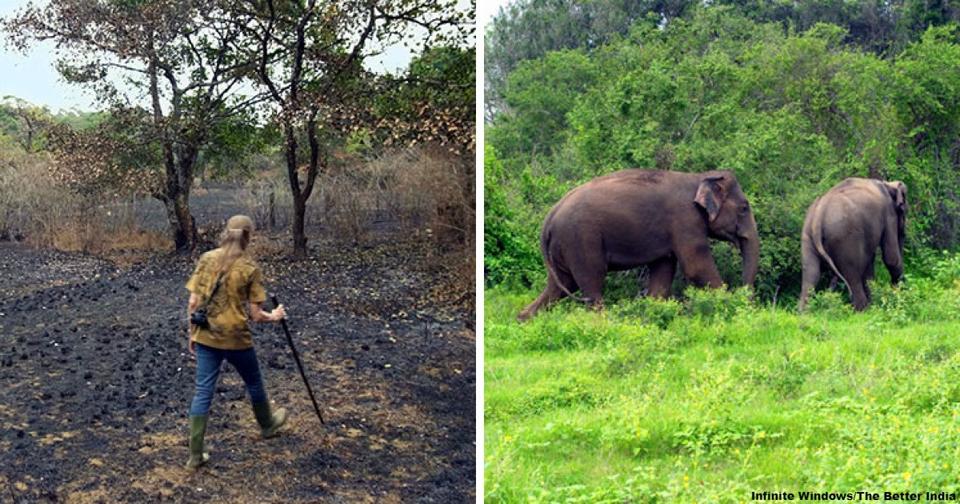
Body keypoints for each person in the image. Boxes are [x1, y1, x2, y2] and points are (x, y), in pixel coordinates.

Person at [183, 215, 288, 470]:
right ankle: (267, 425)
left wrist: (192, 334)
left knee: (203, 390)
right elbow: (255, 314)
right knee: (253, 381)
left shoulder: (207, 259)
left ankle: (195, 454)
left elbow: (193, 303)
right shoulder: (249, 268)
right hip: (236, 339)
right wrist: (274, 316)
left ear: (225, 232)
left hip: (207, 335)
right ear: (248, 236)